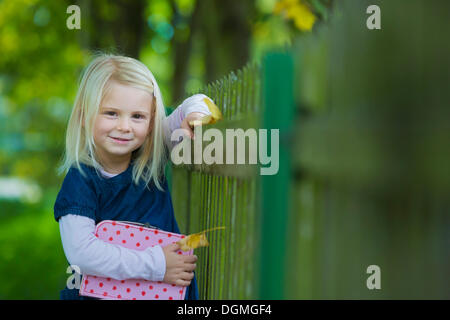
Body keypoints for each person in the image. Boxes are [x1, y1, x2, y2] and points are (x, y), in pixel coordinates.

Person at [54, 53, 214, 300]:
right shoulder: (81, 181)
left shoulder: (151, 154)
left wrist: (194, 116)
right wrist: (157, 265)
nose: (125, 126)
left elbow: (198, 100)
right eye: (111, 113)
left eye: (137, 116)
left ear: (151, 122)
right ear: (84, 116)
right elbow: (82, 253)